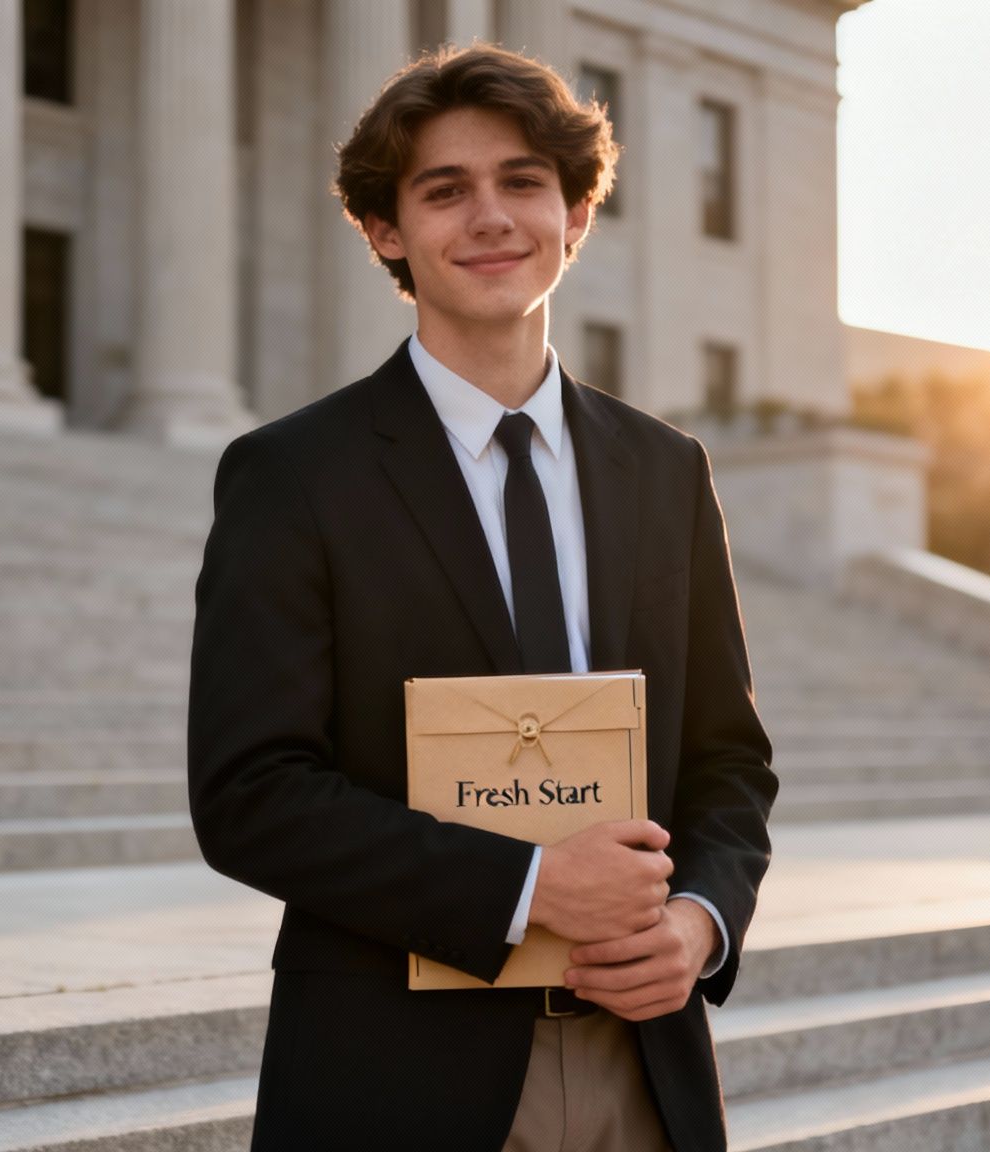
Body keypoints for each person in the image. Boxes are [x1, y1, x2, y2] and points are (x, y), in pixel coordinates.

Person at [187, 43, 775, 1152]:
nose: (490, 217)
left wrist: (698, 924)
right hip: (394, 1069)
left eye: (521, 182)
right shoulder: (293, 475)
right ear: (385, 233)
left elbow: (727, 761)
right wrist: (527, 887)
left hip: (637, 1062)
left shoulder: (666, 469)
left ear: (575, 213)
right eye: (443, 190)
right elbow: (249, 792)